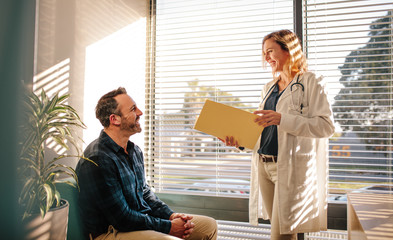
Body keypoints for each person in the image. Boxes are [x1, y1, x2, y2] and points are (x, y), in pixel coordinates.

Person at [222, 30, 335, 240]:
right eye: (264, 53)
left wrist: (282, 118)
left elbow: (326, 127)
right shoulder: (268, 88)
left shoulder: (311, 81)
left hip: (289, 167)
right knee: (280, 230)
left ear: (288, 50)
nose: (266, 58)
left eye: (270, 51)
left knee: (281, 236)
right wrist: (239, 141)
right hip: (264, 165)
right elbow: (263, 129)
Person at [76, 87, 217, 240]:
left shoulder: (134, 151)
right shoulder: (98, 158)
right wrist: (168, 227)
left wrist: (170, 215)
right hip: (109, 232)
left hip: (136, 223)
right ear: (114, 119)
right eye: (133, 109)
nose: (140, 112)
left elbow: (144, 193)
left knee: (208, 226)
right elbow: (121, 218)